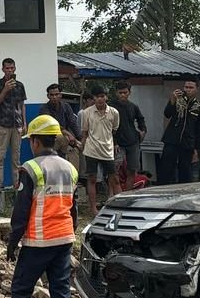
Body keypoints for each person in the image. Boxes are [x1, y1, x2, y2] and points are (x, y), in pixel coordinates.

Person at [0, 115, 78, 298]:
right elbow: (74, 206)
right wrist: (72, 230)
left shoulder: (30, 169)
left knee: (22, 288)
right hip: (64, 239)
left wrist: (13, 241)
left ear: (35, 142)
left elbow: (21, 210)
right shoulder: (69, 168)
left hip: (39, 240)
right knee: (60, 289)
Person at [78, 85, 120, 215]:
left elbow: (114, 130)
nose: (100, 99)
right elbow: (84, 132)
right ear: (93, 98)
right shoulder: (87, 113)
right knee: (92, 179)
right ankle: (93, 208)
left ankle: (120, 206)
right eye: (97, 97)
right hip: (91, 150)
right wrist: (83, 145)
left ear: (106, 97)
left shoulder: (114, 112)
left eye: (102, 96)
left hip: (107, 150)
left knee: (114, 179)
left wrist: (113, 144)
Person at [159, 80, 200, 184]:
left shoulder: (199, 106)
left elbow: (199, 129)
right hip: (172, 140)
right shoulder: (178, 99)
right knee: (166, 169)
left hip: (187, 143)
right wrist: (172, 99)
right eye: (186, 87)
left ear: (197, 89)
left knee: (185, 171)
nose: (188, 90)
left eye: (191, 87)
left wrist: (196, 148)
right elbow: (167, 114)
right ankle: (161, 191)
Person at [0, 57, 28, 190]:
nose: (10, 71)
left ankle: (16, 186)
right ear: (2, 69)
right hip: (3, 124)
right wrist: (5, 90)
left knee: (16, 159)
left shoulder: (20, 85)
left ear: (15, 69)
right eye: (7, 68)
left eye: (12, 68)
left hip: (17, 125)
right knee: (0, 157)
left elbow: (22, 105)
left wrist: (25, 123)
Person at [111, 82, 147, 191]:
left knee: (132, 170)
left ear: (129, 93)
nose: (122, 95)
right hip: (118, 143)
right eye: (120, 93)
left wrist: (143, 131)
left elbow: (141, 119)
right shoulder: (111, 107)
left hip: (133, 141)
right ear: (116, 93)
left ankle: (128, 194)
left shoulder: (133, 106)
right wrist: (114, 142)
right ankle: (115, 194)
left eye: (125, 92)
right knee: (114, 170)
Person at [40, 83, 82, 170]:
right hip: (49, 141)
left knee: (75, 150)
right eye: (52, 95)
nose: (54, 97)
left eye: (56, 94)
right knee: (61, 138)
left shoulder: (66, 106)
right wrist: (69, 135)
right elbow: (53, 126)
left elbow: (73, 123)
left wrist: (80, 139)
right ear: (48, 96)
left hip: (66, 139)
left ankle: (74, 179)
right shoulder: (44, 109)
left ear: (60, 95)